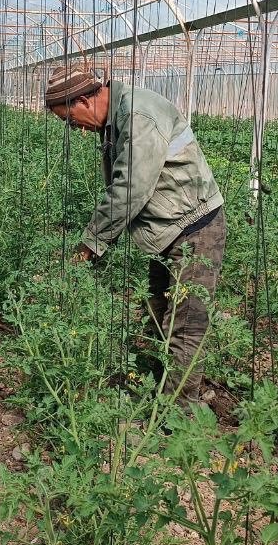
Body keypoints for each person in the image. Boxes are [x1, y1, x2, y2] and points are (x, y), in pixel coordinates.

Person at [43, 63, 226, 405]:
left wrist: (91, 243)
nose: (77, 130)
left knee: (185, 324)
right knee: (160, 309)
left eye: (70, 121)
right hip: (169, 227)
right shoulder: (117, 117)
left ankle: (179, 415)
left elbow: (130, 189)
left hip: (195, 227)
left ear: (84, 100)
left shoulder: (138, 115)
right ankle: (158, 389)